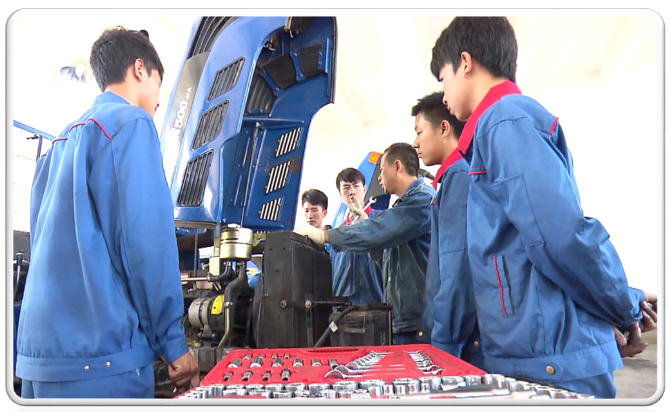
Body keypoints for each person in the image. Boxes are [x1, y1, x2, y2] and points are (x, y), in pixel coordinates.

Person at [430, 17, 657, 397]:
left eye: (443, 79)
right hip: (537, 353)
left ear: (464, 63)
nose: (444, 96)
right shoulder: (495, 128)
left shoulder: (506, 120)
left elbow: (560, 236)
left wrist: (624, 304)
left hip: (549, 359)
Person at [17, 27, 199, 398]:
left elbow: (41, 243)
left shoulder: (59, 143)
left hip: (39, 361)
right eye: (158, 83)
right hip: (103, 364)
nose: (158, 100)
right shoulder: (131, 123)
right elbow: (145, 244)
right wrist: (172, 341)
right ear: (139, 69)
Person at [295, 144, 436, 344]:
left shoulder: (421, 200)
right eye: (346, 187)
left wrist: (326, 235)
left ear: (397, 167)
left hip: (414, 320)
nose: (379, 177)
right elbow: (387, 260)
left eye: (382, 170)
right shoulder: (395, 210)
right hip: (397, 318)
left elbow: (377, 231)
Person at [412, 92, 484, 369]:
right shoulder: (456, 177)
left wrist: (443, 345)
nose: (415, 143)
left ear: (444, 128)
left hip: (458, 345)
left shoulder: (458, 176)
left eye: (419, 132)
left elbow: (457, 271)